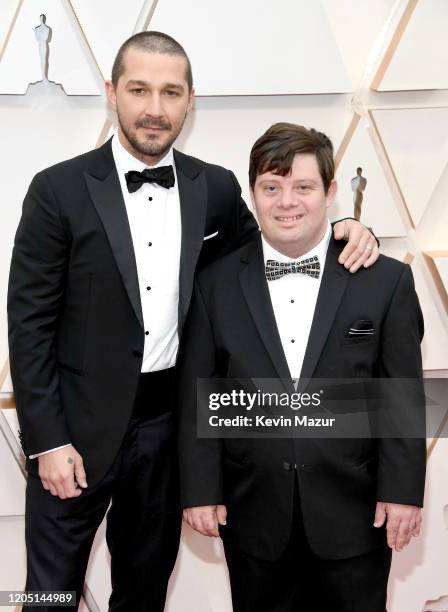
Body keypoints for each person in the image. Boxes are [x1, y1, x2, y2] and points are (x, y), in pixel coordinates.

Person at [8, 30, 378, 612]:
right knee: (48, 596)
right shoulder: (56, 190)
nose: (154, 109)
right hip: (72, 433)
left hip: (167, 430)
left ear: (190, 100)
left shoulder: (216, 188)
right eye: (139, 90)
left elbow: (269, 254)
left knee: (145, 591)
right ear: (112, 93)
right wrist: (48, 440)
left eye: (170, 93)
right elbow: (27, 322)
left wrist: (342, 232)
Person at [179, 123, 426, 611]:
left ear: (330, 192)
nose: (287, 202)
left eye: (303, 187)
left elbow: (401, 394)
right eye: (272, 187)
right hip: (253, 512)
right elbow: (198, 395)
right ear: (253, 194)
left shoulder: (386, 281)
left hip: (356, 513)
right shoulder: (215, 283)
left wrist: (403, 492)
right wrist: (199, 490)